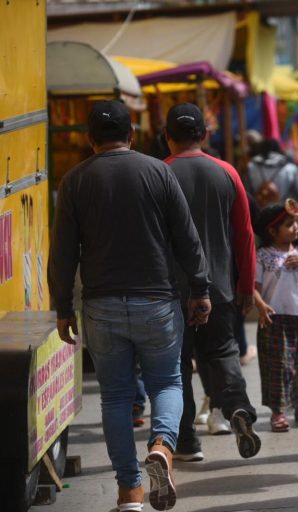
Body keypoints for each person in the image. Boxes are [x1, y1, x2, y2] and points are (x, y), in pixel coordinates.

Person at [49, 100, 211, 512]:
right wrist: (200, 288)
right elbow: (187, 238)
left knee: (117, 398)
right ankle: (161, 447)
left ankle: (130, 494)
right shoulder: (159, 171)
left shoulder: (74, 180)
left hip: (101, 306)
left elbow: (63, 252)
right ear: (133, 134)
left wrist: (62, 307)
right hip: (157, 301)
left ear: (89, 140)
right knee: (167, 383)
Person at [164, 103, 267, 462]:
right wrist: (247, 286)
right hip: (220, 287)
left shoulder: (159, 173)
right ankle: (237, 407)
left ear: (167, 136)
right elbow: (245, 234)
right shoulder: (227, 172)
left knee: (176, 365)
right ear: (205, 135)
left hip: (171, 293)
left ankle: (187, 441)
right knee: (222, 353)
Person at [255, 201, 298, 432]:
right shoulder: (263, 256)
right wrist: (261, 305)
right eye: (288, 225)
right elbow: (252, 286)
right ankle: (278, 411)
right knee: (278, 366)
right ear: (272, 231)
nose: (295, 228)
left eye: (295, 223)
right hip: (275, 318)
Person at [246, 138, 298, 208]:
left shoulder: (251, 166)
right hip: (283, 213)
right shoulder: (290, 167)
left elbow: (247, 193)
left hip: (259, 213)